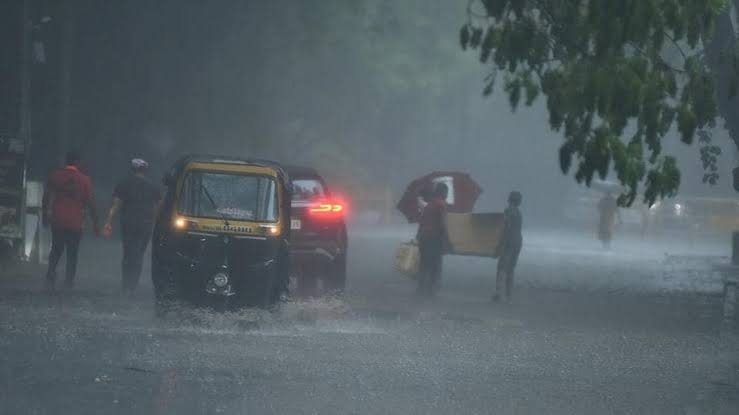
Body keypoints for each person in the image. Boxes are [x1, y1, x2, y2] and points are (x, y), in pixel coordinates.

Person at [42, 151, 99, 291]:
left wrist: (44, 215)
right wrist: (96, 223)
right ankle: (69, 281)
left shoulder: (55, 176)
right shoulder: (85, 180)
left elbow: (46, 198)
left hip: (58, 220)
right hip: (75, 222)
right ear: (78, 161)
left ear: (67, 161)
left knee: (56, 249)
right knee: (72, 253)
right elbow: (91, 203)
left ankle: (50, 275)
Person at [103, 158, 162, 295]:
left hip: (128, 223)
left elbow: (115, 206)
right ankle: (133, 284)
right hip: (145, 224)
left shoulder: (123, 184)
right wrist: (156, 222)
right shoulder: (153, 187)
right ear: (145, 170)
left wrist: (108, 222)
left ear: (132, 169)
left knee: (128, 252)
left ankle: (126, 284)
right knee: (139, 254)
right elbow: (159, 207)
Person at [416, 182, 450, 297]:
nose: (447, 194)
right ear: (443, 192)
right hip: (433, 238)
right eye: (446, 192)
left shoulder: (429, 204)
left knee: (424, 265)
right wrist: (447, 239)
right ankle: (432, 290)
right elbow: (442, 223)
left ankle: (421, 289)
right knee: (435, 265)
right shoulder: (441, 204)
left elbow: (422, 222)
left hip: (423, 238)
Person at [493, 191, 523, 303]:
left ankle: (498, 293)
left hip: (509, 242)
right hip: (518, 242)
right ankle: (509, 296)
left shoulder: (508, 211)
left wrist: (500, 244)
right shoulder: (519, 213)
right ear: (519, 202)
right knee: (511, 269)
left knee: (502, 268)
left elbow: (506, 228)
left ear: (509, 199)